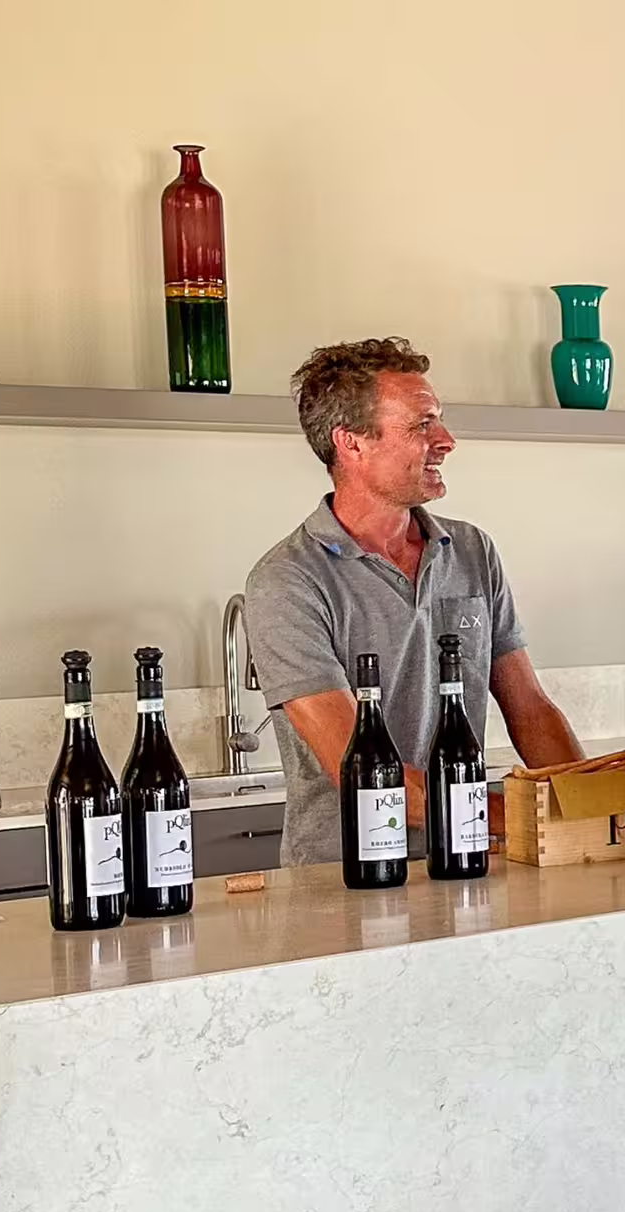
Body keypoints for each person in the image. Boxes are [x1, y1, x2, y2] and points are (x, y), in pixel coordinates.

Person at [246, 337, 584, 866]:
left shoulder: (471, 550)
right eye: (422, 424)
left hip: (468, 858)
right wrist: (517, 816)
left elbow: (530, 708)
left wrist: (584, 809)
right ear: (351, 442)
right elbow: (363, 770)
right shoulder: (287, 581)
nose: (446, 440)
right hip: (343, 880)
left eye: (440, 421)